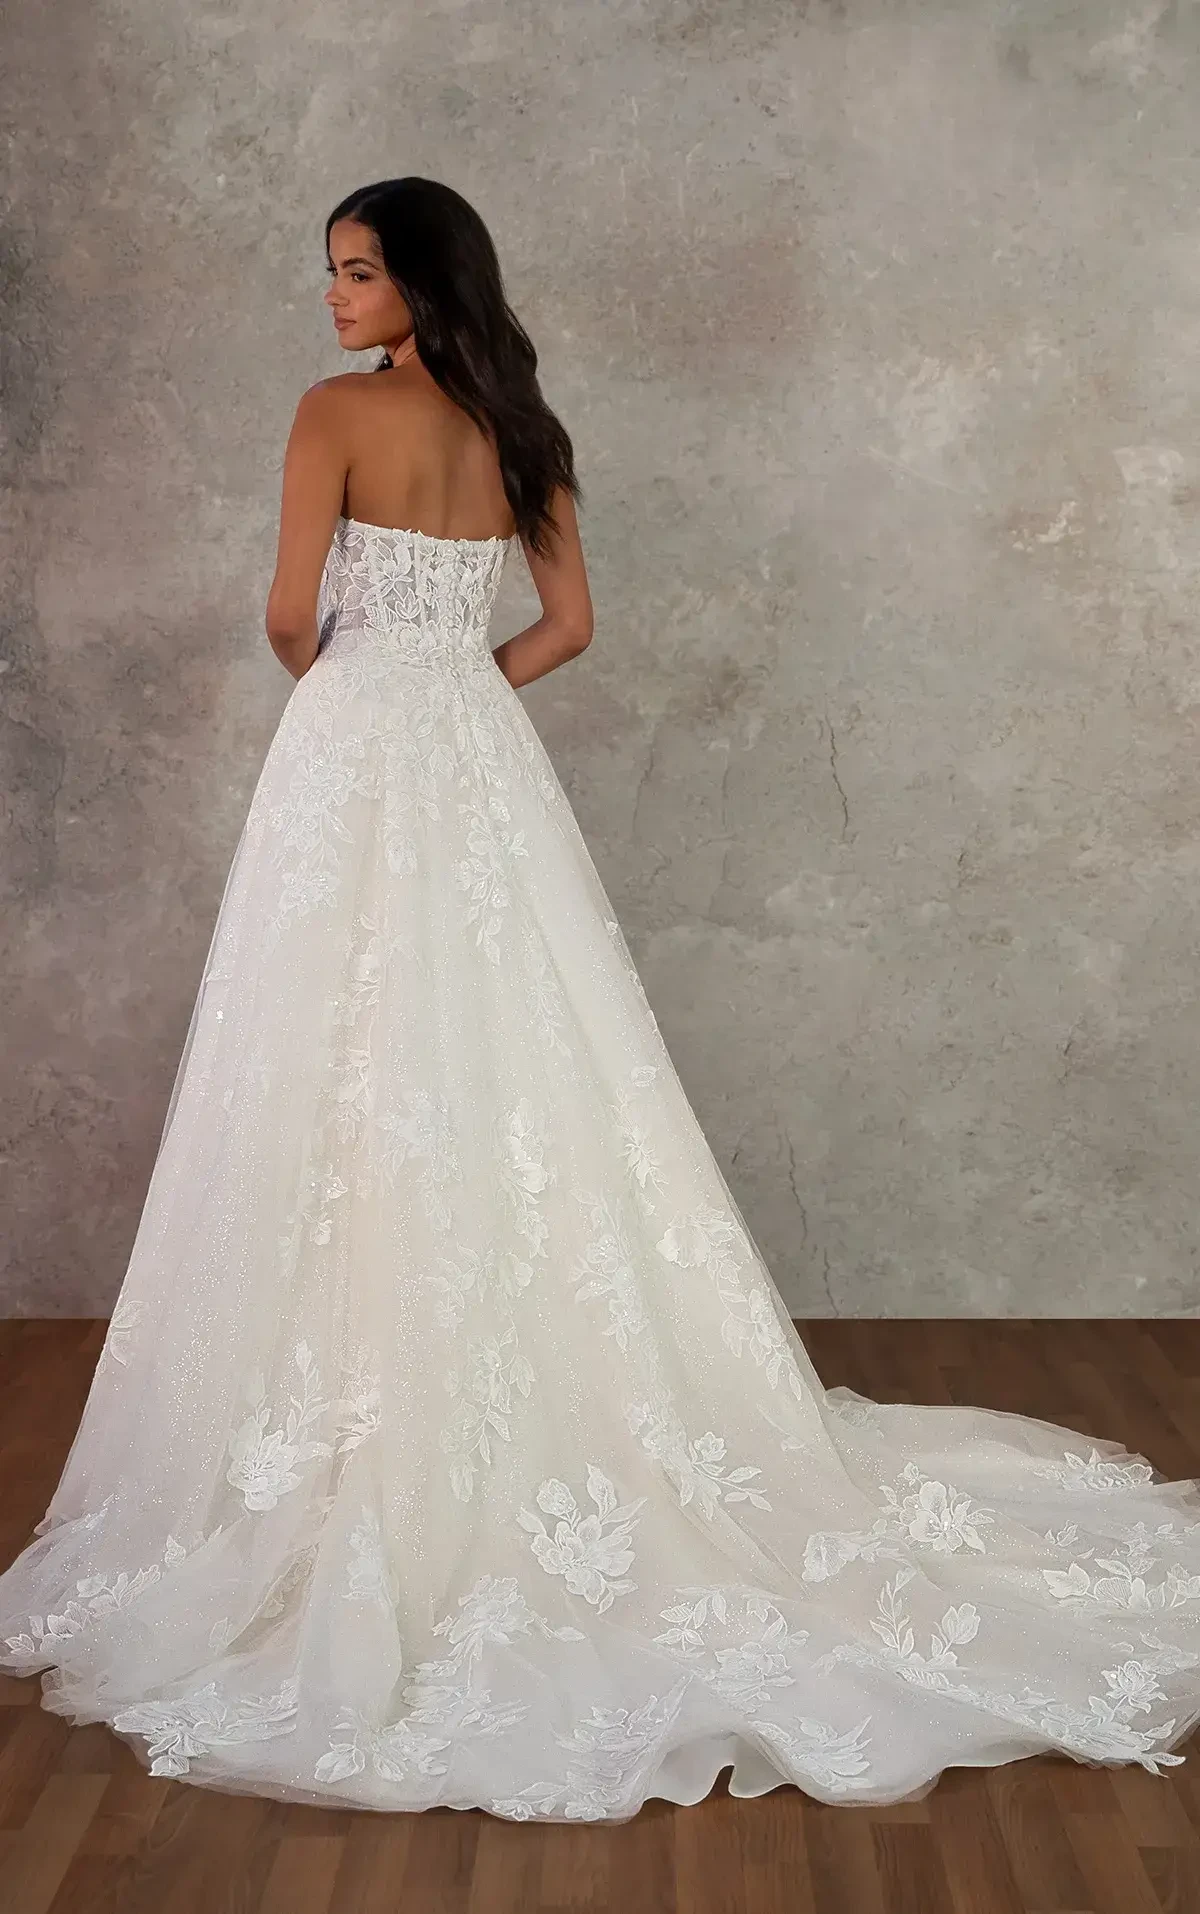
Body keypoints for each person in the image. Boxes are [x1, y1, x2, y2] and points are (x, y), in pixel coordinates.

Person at [2, 176, 1198, 1826]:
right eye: (331, 275)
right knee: (518, 1066)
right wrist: (458, 695)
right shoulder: (524, 432)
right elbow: (568, 626)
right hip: (477, 762)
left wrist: (363, 698)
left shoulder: (333, 415)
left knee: (332, 1058)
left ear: (420, 283)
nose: (333, 299)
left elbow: (287, 616)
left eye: (356, 273)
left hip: (354, 751)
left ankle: (359, 1430)